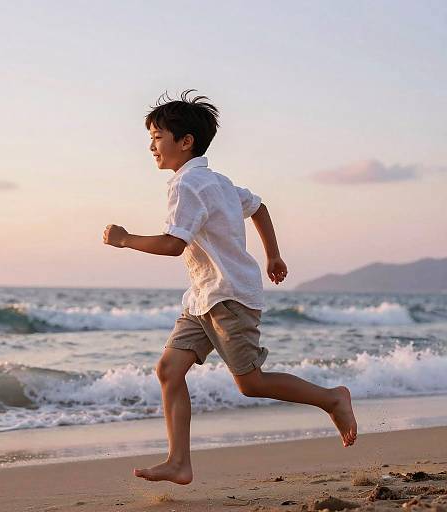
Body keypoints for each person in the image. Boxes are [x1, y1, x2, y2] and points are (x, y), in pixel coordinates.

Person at [102, 89, 357, 485]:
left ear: (185, 142)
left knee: (251, 383)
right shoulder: (216, 181)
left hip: (228, 297)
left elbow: (173, 245)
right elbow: (259, 207)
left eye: (157, 137)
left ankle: (332, 398)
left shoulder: (187, 185)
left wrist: (125, 239)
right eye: (151, 137)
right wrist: (273, 255)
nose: (151, 145)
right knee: (169, 369)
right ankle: (179, 462)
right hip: (204, 298)